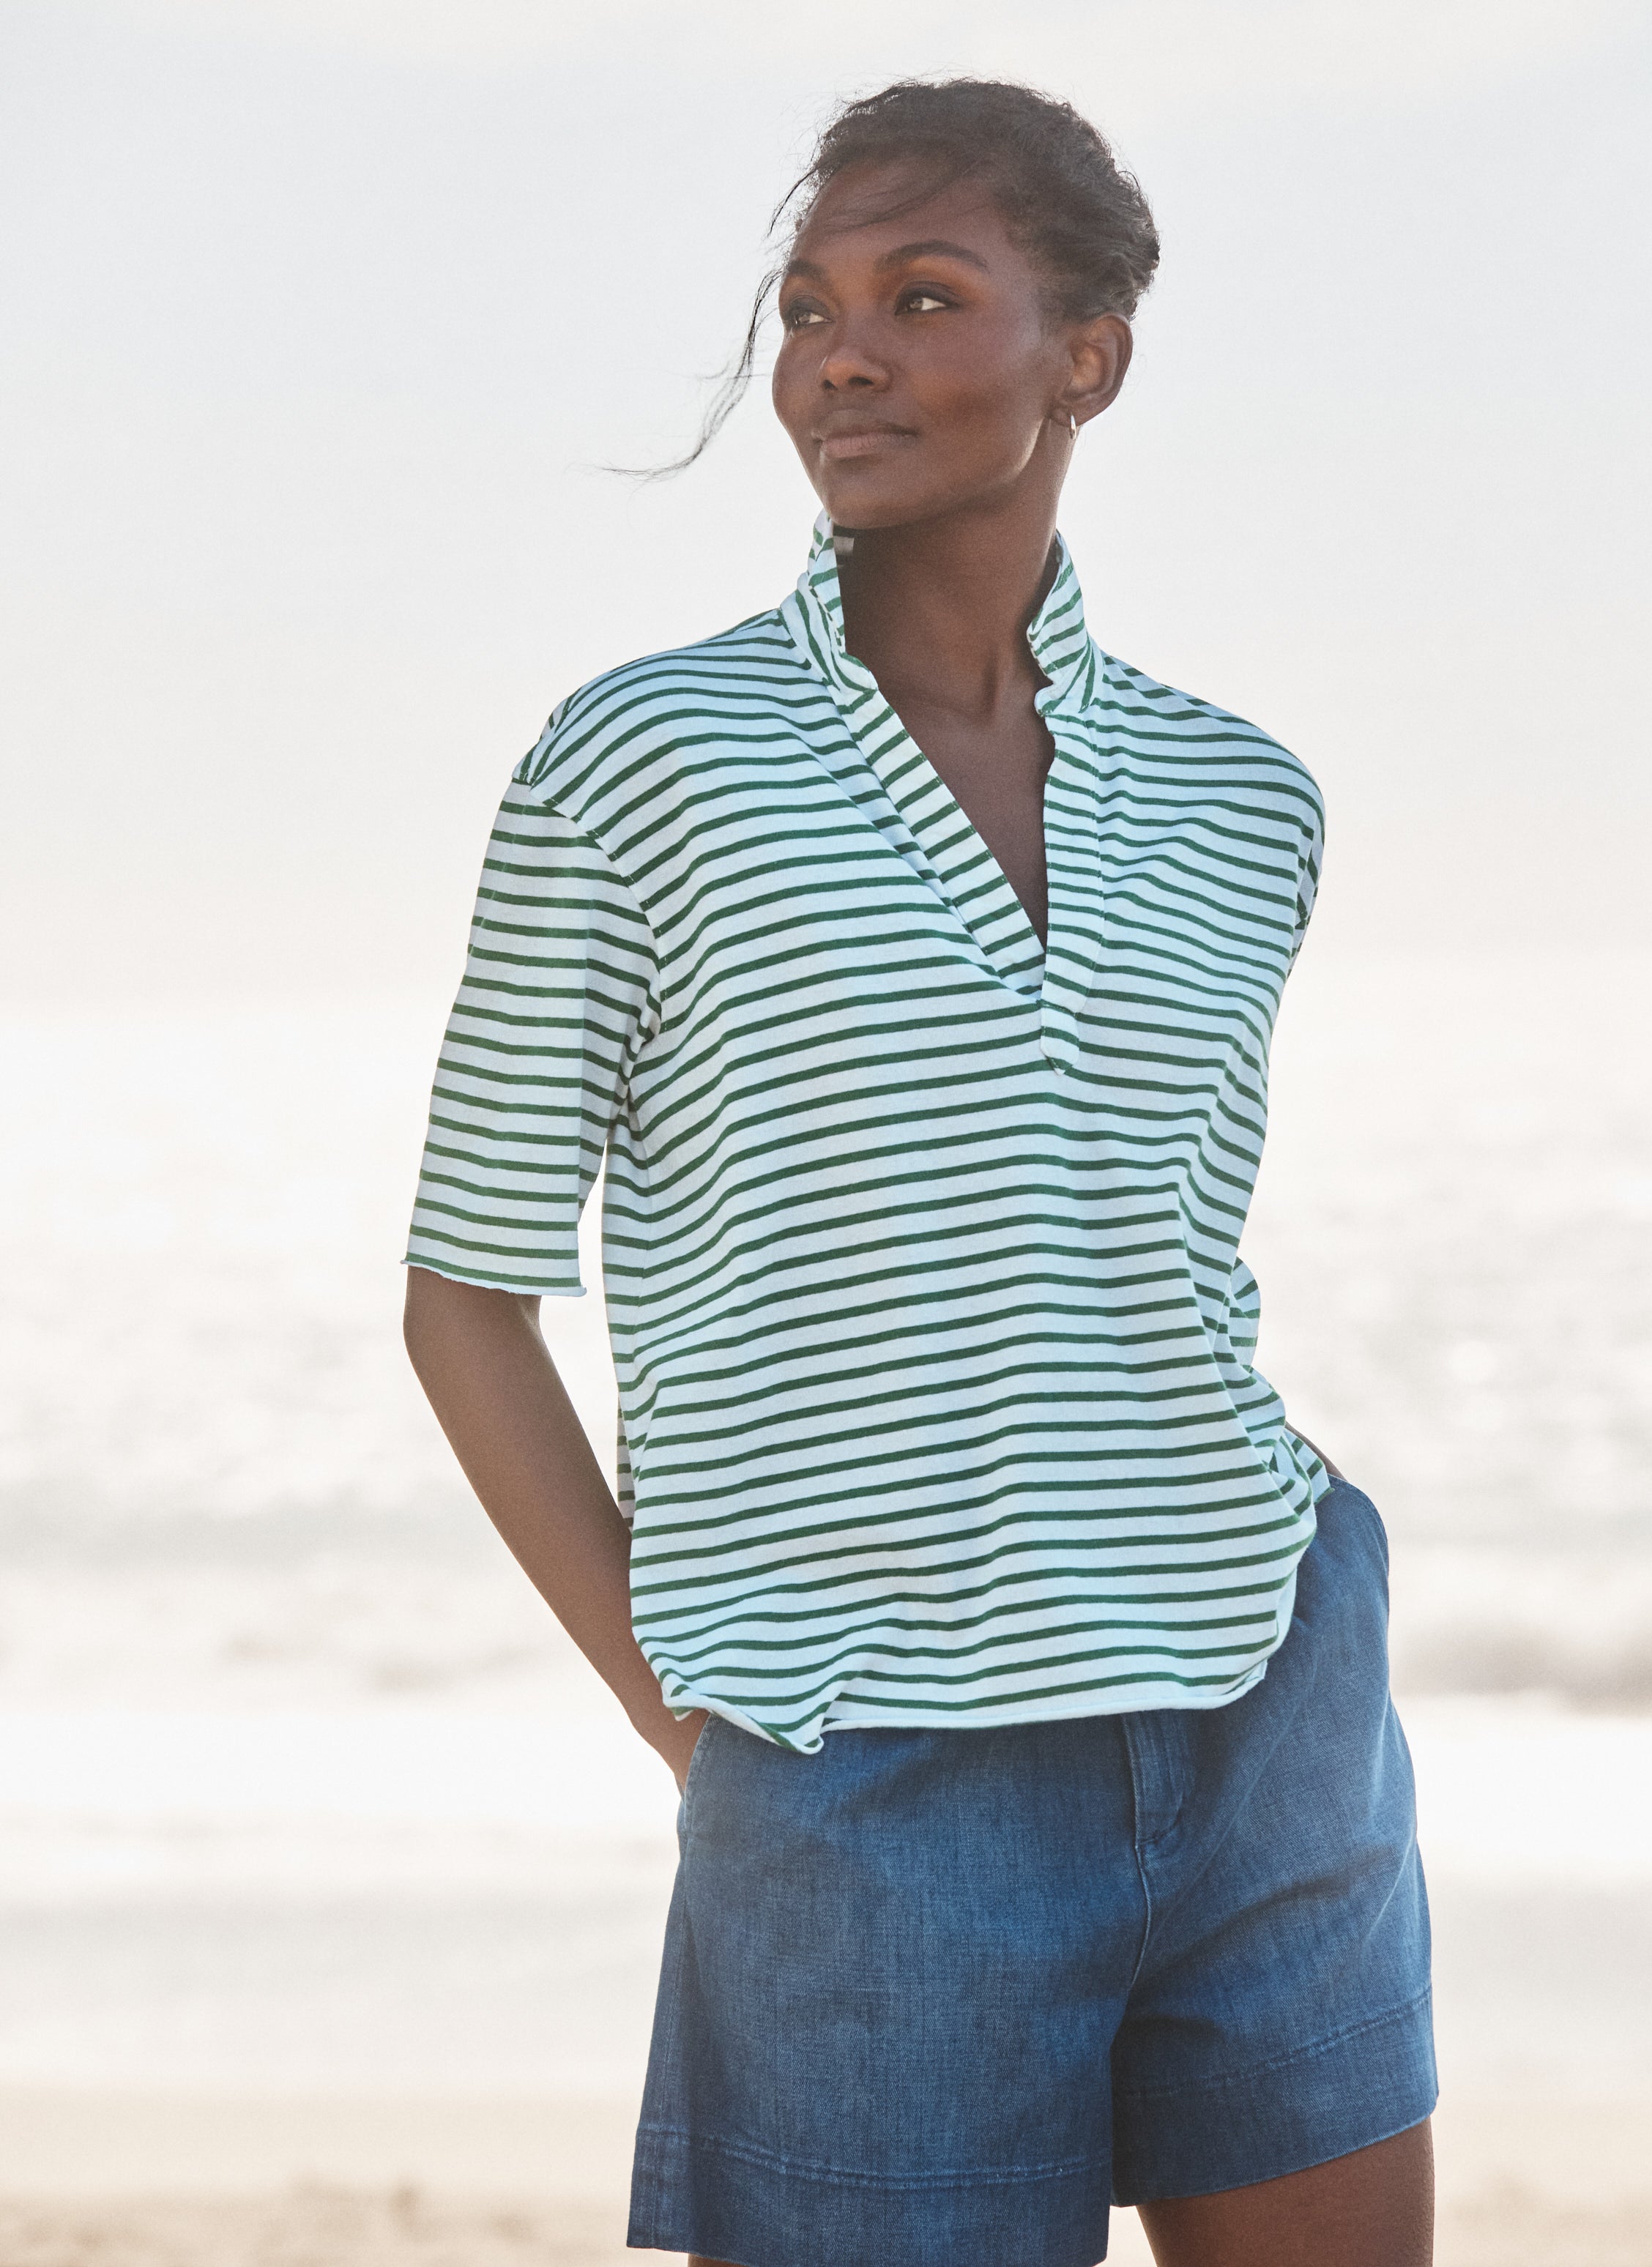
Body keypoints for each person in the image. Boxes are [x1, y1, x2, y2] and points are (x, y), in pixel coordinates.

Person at [403, 77, 1435, 2267]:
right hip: (858, 1770)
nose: (837, 354)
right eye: (805, 307)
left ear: (1089, 355)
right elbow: (464, 1292)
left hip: (1265, 1708)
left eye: (920, 295)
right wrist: (681, 1712)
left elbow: (1141, 1261)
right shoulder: (641, 762)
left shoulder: (1241, 800)